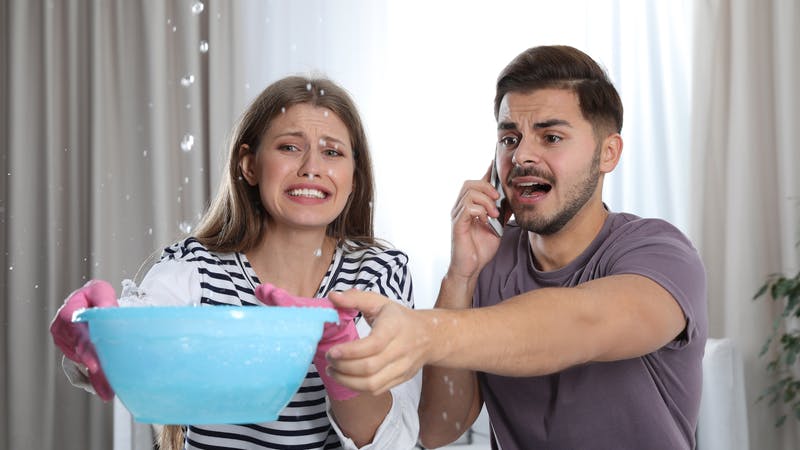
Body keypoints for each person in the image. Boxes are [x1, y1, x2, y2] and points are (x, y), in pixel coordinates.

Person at [323, 45, 708, 450]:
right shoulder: (490, 261)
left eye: (551, 137)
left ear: (607, 153)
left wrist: (423, 330)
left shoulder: (660, 253)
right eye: (510, 138)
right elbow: (438, 428)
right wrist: (462, 274)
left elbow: (581, 324)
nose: (522, 155)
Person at [50, 76, 420, 450]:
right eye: (290, 147)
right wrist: (98, 332)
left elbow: (394, 442)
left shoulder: (378, 273)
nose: (312, 167)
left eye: (333, 152)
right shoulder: (195, 267)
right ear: (249, 165)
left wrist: (340, 354)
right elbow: (137, 323)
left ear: (354, 178)